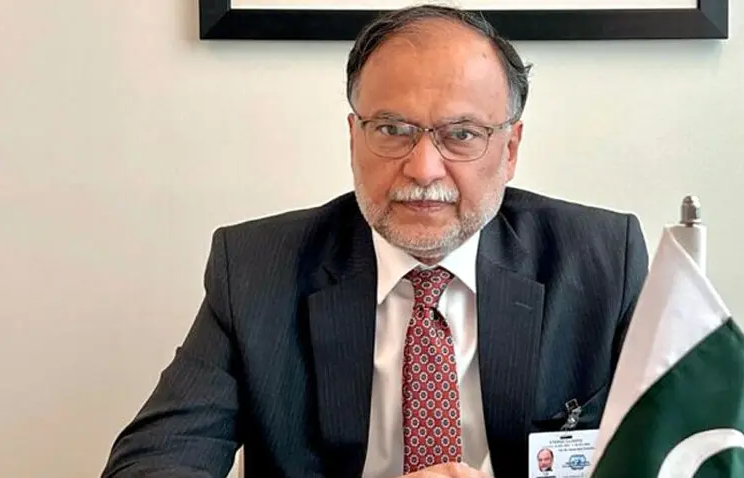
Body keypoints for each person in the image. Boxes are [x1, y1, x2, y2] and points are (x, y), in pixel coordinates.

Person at [101, 5, 648, 478]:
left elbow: (676, 456)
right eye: (392, 130)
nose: (424, 169)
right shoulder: (254, 270)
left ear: (509, 151)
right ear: (353, 138)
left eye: (462, 134)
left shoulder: (602, 261)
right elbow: (151, 463)